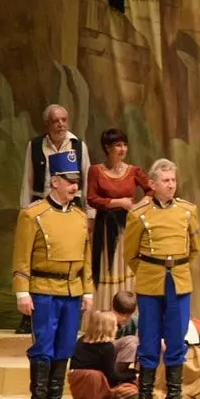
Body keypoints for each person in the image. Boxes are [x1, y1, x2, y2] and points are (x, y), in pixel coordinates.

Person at [12, 152, 93, 399]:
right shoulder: (32, 215)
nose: (75, 186)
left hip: (72, 291)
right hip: (43, 289)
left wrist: (88, 291)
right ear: (55, 181)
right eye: (69, 180)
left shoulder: (80, 216)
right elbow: (21, 257)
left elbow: (86, 258)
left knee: (65, 346)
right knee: (43, 347)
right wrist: (22, 291)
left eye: (77, 181)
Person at [123, 159, 200, 399]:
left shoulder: (188, 211)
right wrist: (150, 271)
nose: (170, 185)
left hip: (178, 280)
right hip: (150, 282)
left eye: (173, 180)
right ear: (152, 184)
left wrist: (176, 266)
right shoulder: (138, 214)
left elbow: (194, 249)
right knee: (149, 338)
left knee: (177, 338)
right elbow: (130, 254)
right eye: (165, 181)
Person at [16, 104, 93, 334]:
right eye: (55, 120)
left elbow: (86, 179)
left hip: (71, 206)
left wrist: (89, 213)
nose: (60, 124)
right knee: (37, 256)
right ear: (47, 124)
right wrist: (26, 210)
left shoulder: (78, 145)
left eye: (63, 120)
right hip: (41, 207)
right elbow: (28, 179)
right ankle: (30, 311)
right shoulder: (36, 145)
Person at [86, 128, 152, 311]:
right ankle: (104, 314)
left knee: (127, 266)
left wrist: (138, 206)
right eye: (118, 145)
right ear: (107, 148)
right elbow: (91, 198)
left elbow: (151, 189)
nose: (123, 149)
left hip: (128, 227)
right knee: (108, 267)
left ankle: (128, 314)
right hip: (106, 229)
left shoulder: (132, 171)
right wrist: (118, 202)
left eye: (125, 145)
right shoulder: (96, 171)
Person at [67, 310, 139, 399]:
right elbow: (111, 377)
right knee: (131, 386)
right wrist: (132, 375)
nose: (117, 328)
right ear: (109, 328)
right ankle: (116, 395)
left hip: (77, 388)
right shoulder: (107, 347)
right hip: (94, 386)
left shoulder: (81, 340)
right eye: (115, 326)